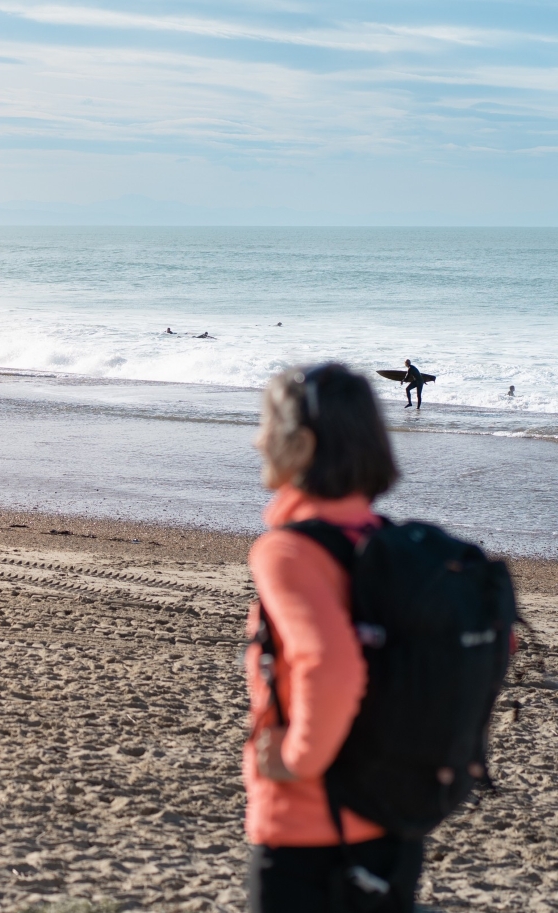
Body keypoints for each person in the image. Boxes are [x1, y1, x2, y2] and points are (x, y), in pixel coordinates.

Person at [246, 363, 422, 912]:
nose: (258, 440)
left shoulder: (289, 552)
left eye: (267, 426)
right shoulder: (393, 546)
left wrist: (298, 760)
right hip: (394, 821)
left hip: (307, 831)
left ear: (299, 444)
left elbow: (332, 666)